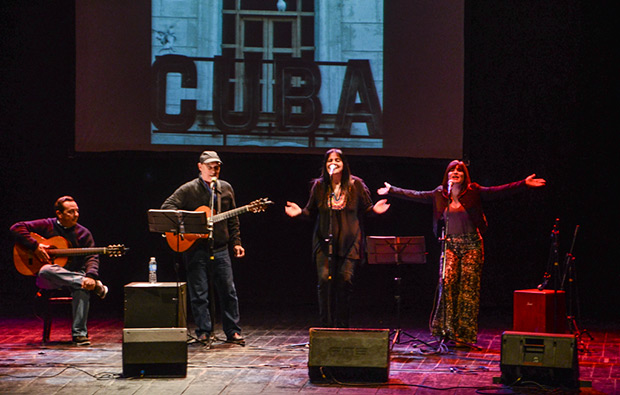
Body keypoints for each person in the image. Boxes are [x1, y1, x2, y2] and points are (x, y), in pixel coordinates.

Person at [377, 160, 546, 345]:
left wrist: (523, 183)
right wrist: (392, 189)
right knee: (447, 284)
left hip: (472, 244)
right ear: (447, 175)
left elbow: (499, 191)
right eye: (452, 170)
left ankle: (464, 335)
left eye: (460, 170)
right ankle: (446, 330)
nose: (455, 173)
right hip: (449, 244)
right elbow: (416, 195)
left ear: (465, 175)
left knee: (468, 289)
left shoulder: (473, 190)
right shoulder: (439, 194)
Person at [285, 148, 390, 328]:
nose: (333, 163)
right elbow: (310, 212)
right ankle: (325, 326)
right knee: (325, 280)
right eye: (329, 161)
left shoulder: (355, 185)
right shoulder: (319, 186)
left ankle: (342, 325)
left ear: (344, 164)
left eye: (337, 160)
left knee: (345, 280)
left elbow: (366, 209)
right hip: (324, 243)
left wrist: (375, 211)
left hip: (350, 243)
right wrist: (299, 212)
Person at [161, 151, 245, 347]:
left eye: (217, 166)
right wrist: (190, 225)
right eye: (210, 166)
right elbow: (167, 208)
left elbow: (233, 218)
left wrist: (237, 242)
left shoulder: (226, 188)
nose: (214, 170)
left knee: (228, 291)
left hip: (220, 247)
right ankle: (204, 331)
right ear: (200, 167)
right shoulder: (188, 189)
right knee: (200, 293)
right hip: (195, 248)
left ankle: (232, 331)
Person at [10, 196, 108, 346]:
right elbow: (16, 228)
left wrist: (90, 276)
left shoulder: (83, 233)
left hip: (74, 275)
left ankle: (79, 334)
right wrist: (35, 246)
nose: (76, 215)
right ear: (59, 214)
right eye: (71, 212)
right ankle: (93, 285)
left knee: (82, 287)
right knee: (45, 270)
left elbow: (92, 256)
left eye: (77, 211)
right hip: (50, 278)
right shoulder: (47, 225)